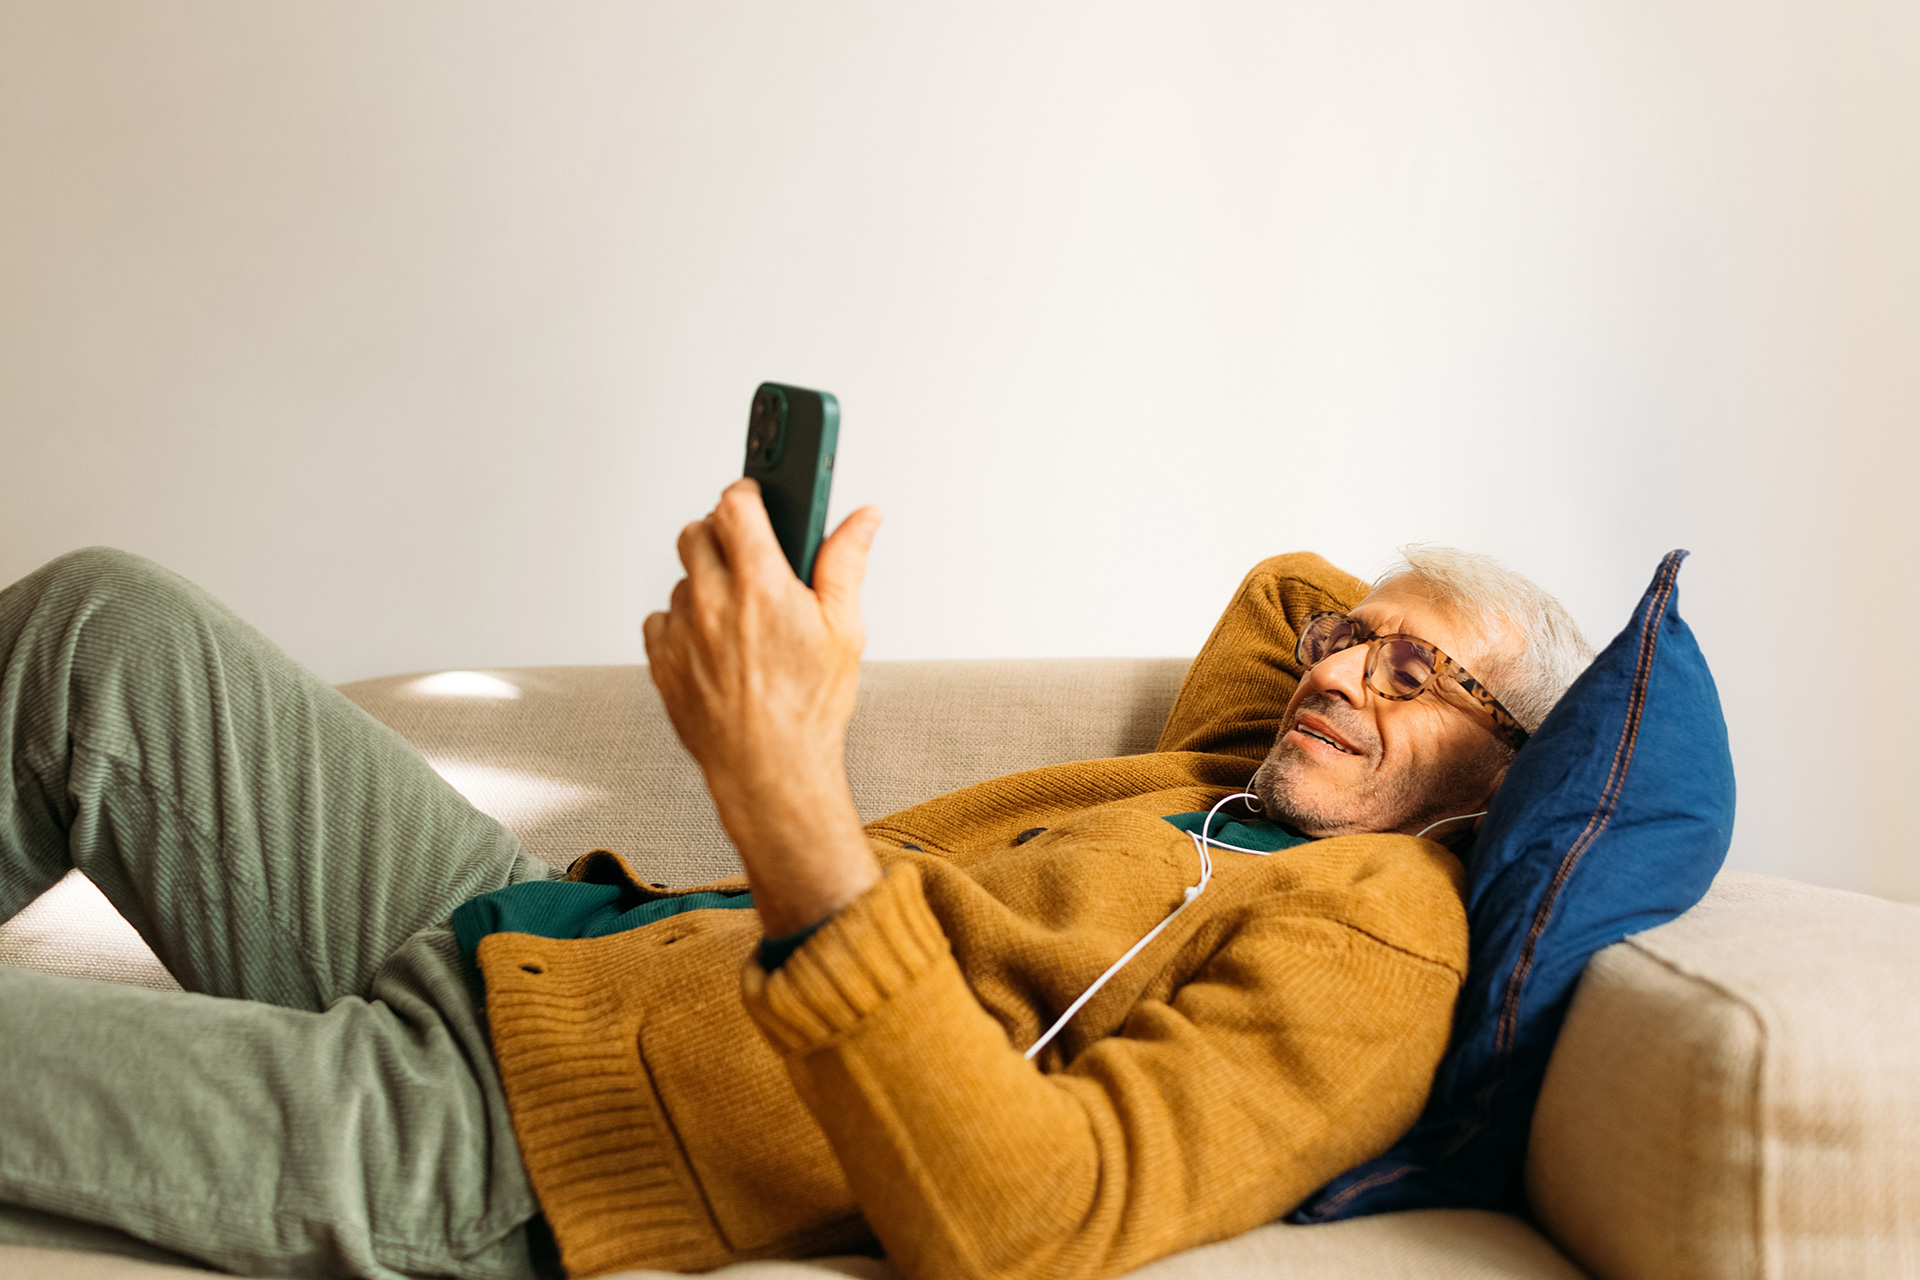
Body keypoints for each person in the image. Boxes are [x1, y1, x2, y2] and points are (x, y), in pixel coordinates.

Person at [0, 482, 1591, 1280]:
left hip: (527, 1129)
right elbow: (1279, 595)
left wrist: (789, 803)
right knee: (103, 628)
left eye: (1414, 670)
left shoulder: (1380, 936)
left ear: (1513, 766)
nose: (1338, 672)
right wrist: (1408, 660)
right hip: (544, 936)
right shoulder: (1217, 788)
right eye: (1344, 646)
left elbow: (1040, 1223)